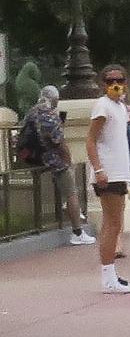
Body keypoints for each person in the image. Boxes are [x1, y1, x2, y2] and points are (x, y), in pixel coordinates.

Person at [86, 66, 130, 292]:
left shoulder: (119, 107)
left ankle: (111, 275)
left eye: (119, 80)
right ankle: (108, 277)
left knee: (113, 223)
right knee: (113, 223)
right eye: (110, 81)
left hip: (118, 171)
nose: (115, 84)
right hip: (108, 172)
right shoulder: (102, 105)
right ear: (103, 84)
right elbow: (90, 139)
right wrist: (99, 169)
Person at [25, 86, 94, 244]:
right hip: (51, 160)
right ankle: (77, 232)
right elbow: (59, 143)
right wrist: (69, 162)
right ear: (54, 99)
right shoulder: (50, 115)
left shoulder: (31, 113)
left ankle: (62, 210)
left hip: (32, 158)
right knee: (72, 192)